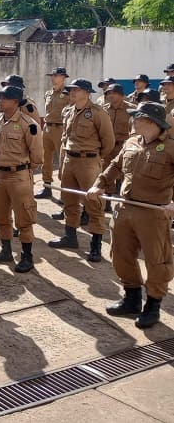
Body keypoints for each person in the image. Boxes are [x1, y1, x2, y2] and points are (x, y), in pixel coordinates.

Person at [87, 102, 174, 329]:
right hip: (124, 208)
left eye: (137, 117)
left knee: (157, 261)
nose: (133, 120)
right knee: (120, 255)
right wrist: (99, 184)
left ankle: (153, 305)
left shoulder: (171, 147)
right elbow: (114, 166)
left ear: (152, 122)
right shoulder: (131, 142)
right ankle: (131, 298)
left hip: (153, 214)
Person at [48, 78, 114, 262]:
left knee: (93, 203)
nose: (72, 93)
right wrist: (62, 165)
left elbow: (108, 141)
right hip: (69, 160)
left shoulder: (98, 113)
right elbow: (64, 139)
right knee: (69, 201)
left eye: (76, 90)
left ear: (87, 92)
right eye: (71, 90)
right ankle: (70, 237)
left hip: (88, 161)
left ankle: (95, 245)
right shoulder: (68, 111)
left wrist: (95, 157)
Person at [0, 86, 43, 273]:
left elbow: (37, 157)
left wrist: (23, 170)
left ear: (16, 102)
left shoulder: (29, 124)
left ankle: (27, 256)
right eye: (0, 97)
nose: (1, 101)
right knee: (1, 214)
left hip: (18, 176)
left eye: (5, 98)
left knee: (24, 217)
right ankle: (6, 250)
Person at [36, 67, 69, 199]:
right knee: (46, 159)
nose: (53, 78)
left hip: (61, 128)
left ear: (63, 77)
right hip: (47, 128)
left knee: (62, 160)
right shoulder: (48, 93)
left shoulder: (68, 93)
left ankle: (64, 192)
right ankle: (47, 187)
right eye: (52, 75)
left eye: (56, 75)